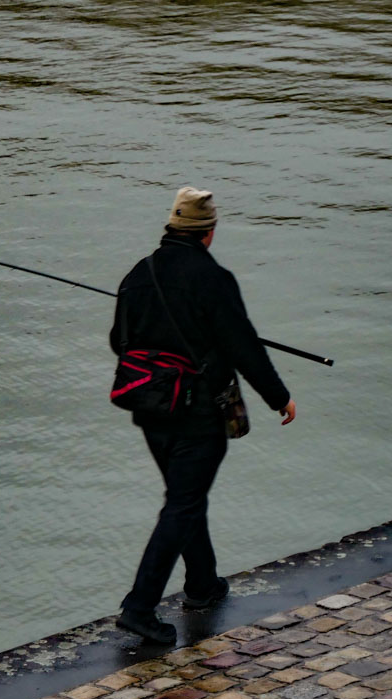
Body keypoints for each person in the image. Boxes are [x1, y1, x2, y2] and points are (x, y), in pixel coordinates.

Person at [111, 186, 297, 644]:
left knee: (185, 496)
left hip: (149, 407)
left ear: (172, 227)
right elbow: (244, 347)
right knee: (183, 501)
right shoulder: (213, 278)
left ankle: (202, 585)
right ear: (208, 233)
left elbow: (120, 341)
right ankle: (139, 608)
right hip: (197, 411)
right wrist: (279, 397)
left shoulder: (138, 274)